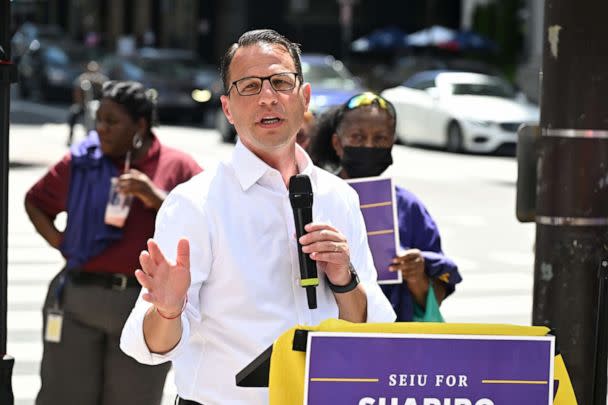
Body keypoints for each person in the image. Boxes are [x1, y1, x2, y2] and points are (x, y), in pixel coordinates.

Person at [120, 29, 396, 405]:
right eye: (249, 86)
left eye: (281, 82)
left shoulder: (340, 197)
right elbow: (147, 346)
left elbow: (372, 328)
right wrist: (168, 311)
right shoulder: (196, 203)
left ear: (305, 97)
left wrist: (345, 280)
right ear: (228, 109)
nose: (268, 97)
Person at [25, 80, 203, 405]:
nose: (102, 130)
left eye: (112, 122)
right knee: (64, 396)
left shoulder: (177, 166)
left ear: (140, 126)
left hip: (142, 307)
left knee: (132, 399)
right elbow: (35, 202)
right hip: (78, 301)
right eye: (99, 120)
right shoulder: (83, 161)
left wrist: (154, 196)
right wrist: (64, 244)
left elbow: (205, 223)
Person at [309, 92, 462, 322]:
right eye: (358, 138)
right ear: (338, 144)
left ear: (392, 142)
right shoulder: (317, 198)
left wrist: (417, 277)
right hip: (330, 335)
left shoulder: (409, 208)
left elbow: (435, 299)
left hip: (393, 341)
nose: (369, 146)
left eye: (380, 139)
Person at [66, 60, 108, 146]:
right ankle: (70, 136)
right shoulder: (82, 78)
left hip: (97, 106)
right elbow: (76, 92)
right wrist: (81, 104)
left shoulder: (102, 80)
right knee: (73, 115)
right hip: (83, 105)